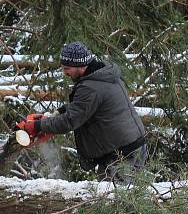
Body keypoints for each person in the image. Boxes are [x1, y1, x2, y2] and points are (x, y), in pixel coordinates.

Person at [17, 41, 147, 183]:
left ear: (81, 65)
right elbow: (86, 106)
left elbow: (70, 121)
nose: (65, 72)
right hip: (123, 149)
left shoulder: (91, 86)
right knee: (109, 197)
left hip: (123, 154)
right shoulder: (101, 76)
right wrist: (58, 112)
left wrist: (36, 126)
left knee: (114, 201)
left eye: (67, 68)